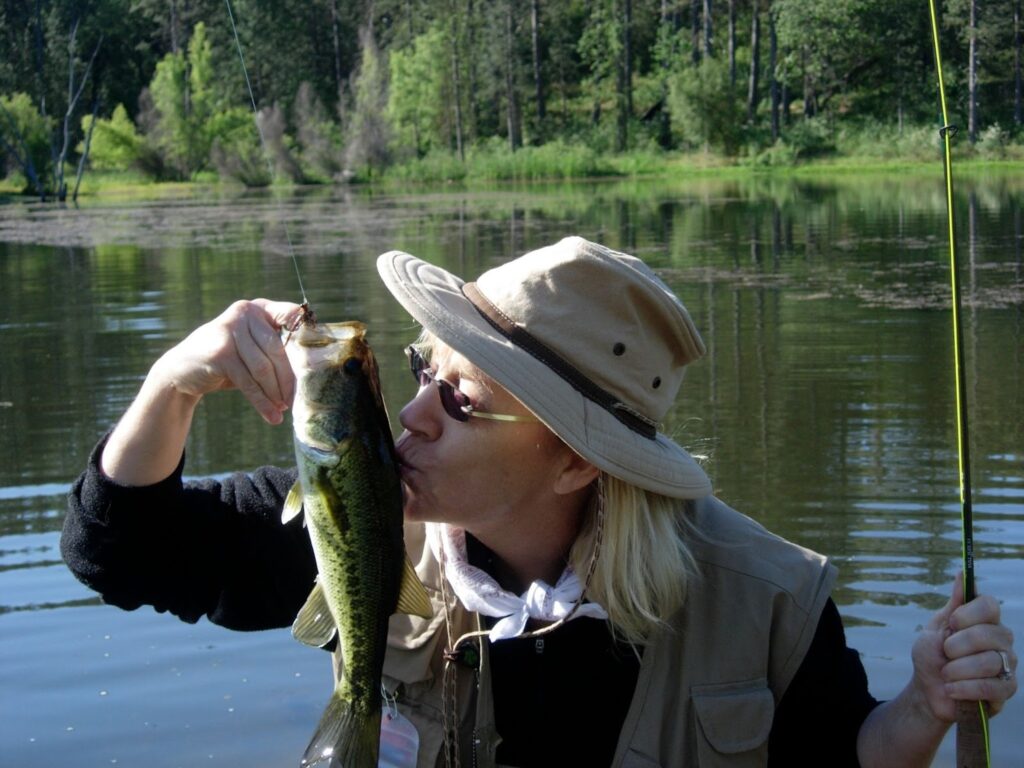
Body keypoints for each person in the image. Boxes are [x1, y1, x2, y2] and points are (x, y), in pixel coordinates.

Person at [62, 236, 1016, 767]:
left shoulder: (767, 599)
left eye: (461, 399)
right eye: (424, 372)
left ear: (574, 463)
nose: (413, 417)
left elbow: (840, 757)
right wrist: (174, 385)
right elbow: (122, 550)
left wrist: (925, 705)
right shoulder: (363, 517)